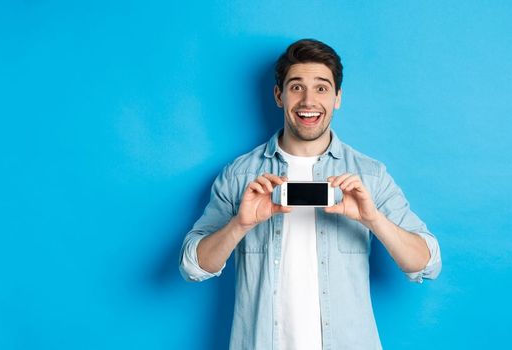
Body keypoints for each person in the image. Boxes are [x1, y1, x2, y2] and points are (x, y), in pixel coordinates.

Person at [179, 38, 441, 349]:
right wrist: (240, 224)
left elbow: (427, 262)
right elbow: (192, 266)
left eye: (321, 88)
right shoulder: (239, 176)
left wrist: (373, 219)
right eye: (296, 87)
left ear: (337, 97)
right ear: (279, 95)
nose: (308, 101)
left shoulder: (370, 175)